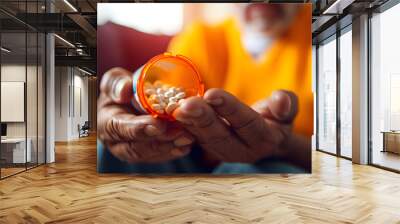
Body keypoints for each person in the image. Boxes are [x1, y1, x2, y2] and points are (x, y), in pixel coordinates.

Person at [97, 3, 312, 173]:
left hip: (287, 170)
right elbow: (161, 105)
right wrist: (127, 110)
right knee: (110, 151)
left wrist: (284, 146)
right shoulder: (199, 39)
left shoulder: (328, 29)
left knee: (251, 171)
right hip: (193, 164)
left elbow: (341, 157)